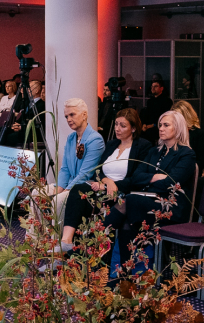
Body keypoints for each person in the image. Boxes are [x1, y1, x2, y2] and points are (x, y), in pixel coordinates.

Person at [59, 107, 148, 253]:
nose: (117, 129)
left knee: (82, 201)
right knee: (78, 190)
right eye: (116, 124)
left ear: (133, 128)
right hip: (102, 187)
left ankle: (77, 250)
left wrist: (112, 185)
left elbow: (137, 178)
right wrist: (106, 181)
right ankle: (66, 241)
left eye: (123, 126)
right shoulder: (112, 144)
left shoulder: (142, 146)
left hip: (120, 193)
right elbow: (98, 170)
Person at [112, 110, 197, 251]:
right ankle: (123, 261)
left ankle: (99, 239)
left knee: (129, 201)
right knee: (127, 219)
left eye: (166, 125)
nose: (161, 129)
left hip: (170, 206)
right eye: (160, 125)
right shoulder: (155, 151)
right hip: (149, 200)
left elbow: (170, 183)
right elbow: (136, 177)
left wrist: (148, 179)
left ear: (178, 128)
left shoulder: (186, 154)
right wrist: (155, 177)